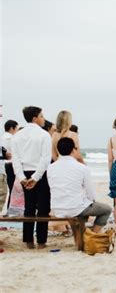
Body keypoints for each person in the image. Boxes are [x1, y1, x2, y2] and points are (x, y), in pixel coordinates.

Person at [48, 137, 111, 233]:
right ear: (73, 150)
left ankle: (72, 228)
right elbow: (90, 192)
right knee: (106, 209)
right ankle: (93, 234)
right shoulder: (82, 168)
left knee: (84, 207)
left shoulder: (51, 168)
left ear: (58, 150)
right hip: (75, 208)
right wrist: (91, 201)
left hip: (57, 208)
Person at [11, 106, 52, 249]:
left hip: (25, 173)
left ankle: (28, 240)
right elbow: (45, 159)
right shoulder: (44, 135)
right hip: (40, 174)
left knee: (28, 207)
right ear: (34, 118)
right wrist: (36, 177)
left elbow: (15, 160)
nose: (43, 118)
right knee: (43, 207)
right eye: (41, 116)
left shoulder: (16, 136)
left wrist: (22, 177)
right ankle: (41, 241)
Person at [3, 120, 19, 209]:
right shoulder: (11, 138)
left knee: (10, 187)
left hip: (6, 164)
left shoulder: (3, 137)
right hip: (11, 164)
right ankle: (11, 207)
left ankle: (9, 207)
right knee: (13, 188)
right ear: (12, 128)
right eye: (16, 128)